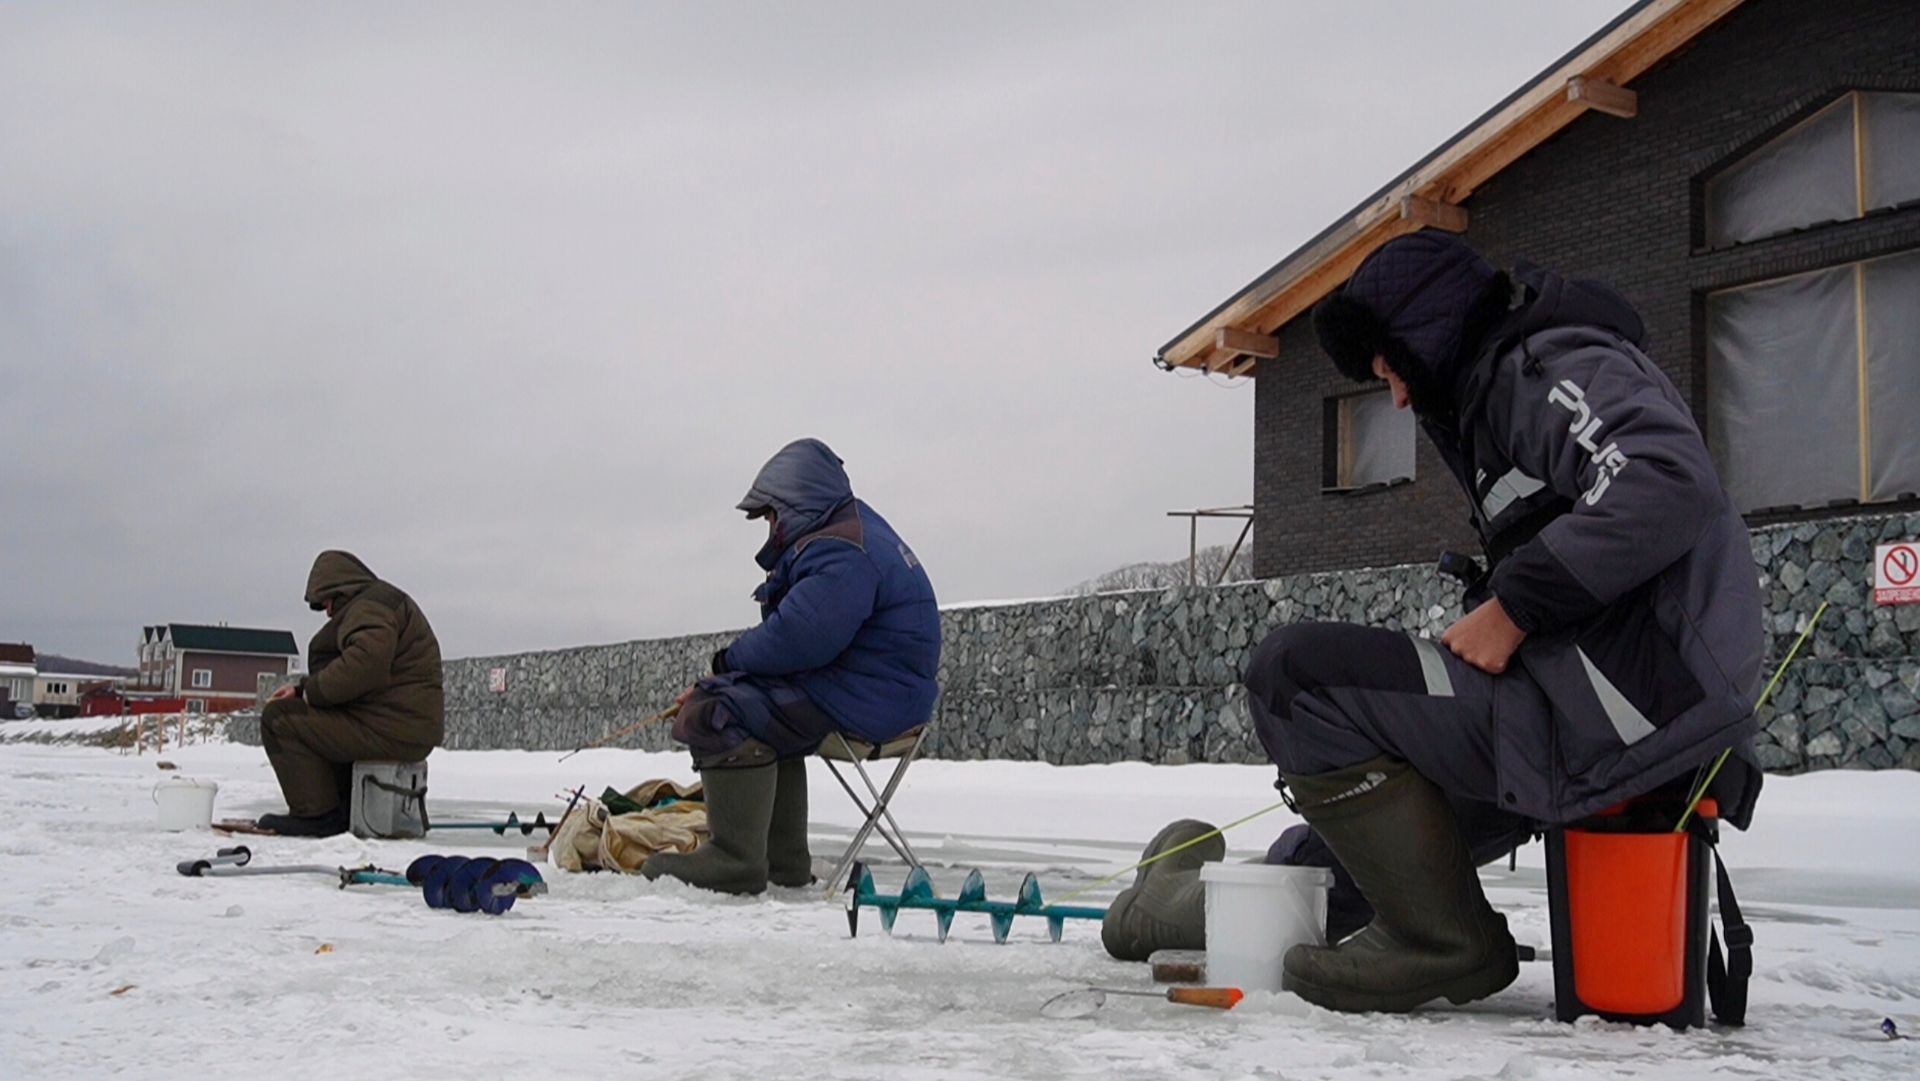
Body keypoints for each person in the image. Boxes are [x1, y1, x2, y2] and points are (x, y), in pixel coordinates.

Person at [1173, 231, 1762, 1014]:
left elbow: (1662, 478)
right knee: (1358, 855)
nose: (1401, 399)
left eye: (1391, 372)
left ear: (1425, 331)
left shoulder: (1546, 369)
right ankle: (1172, 909)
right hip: (1589, 712)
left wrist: (1513, 608)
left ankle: (1443, 944)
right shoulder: (1504, 392)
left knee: (1296, 676)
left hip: (1623, 713)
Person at [643, 438, 941, 895]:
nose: (770, 526)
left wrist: (722, 669)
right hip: (878, 694)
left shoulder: (842, 552)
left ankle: (737, 860)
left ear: (797, 503)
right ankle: (783, 862)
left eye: (771, 515)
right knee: (760, 712)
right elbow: (804, 643)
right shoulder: (853, 533)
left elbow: (798, 639)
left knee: (718, 709)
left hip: (873, 703)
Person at [256, 550, 444, 837]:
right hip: (401, 726)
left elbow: (364, 664)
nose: (328, 613)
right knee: (319, 718)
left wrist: (309, 693)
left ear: (339, 590)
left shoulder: (369, 608)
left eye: (327, 604)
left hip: (392, 729)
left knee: (280, 719)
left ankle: (317, 814)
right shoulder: (380, 603)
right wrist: (301, 689)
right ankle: (343, 807)